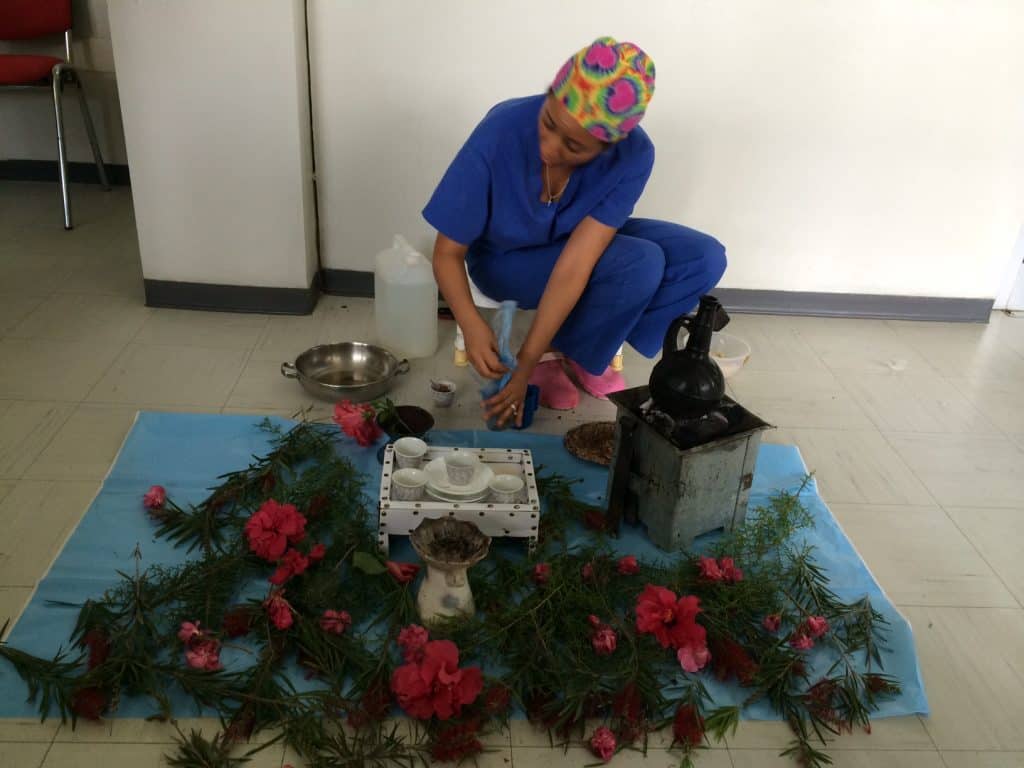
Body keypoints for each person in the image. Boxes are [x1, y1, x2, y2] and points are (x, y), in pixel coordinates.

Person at [425, 37, 727, 428]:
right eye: (549, 123)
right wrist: (470, 322)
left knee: (702, 258)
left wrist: (525, 363)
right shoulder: (502, 131)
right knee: (640, 262)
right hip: (504, 262)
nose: (550, 148)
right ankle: (567, 352)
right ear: (550, 94)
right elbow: (447, 252)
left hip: (571, 249)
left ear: (610, 145)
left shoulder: (634, 154)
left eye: (573, 146)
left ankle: (577, 350)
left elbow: (577, 262)